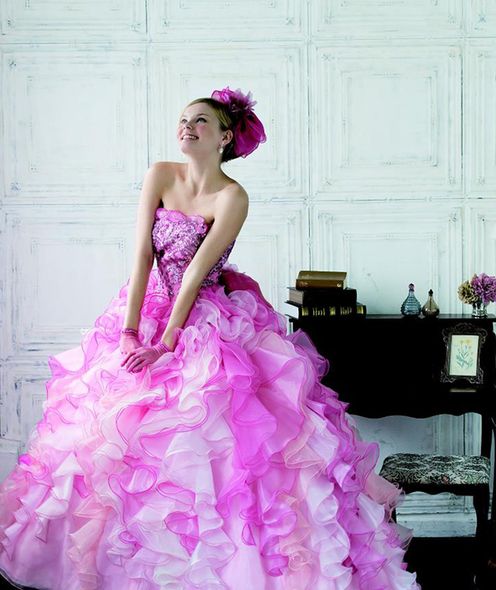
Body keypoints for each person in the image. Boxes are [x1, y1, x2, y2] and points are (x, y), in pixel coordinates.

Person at [0, 86, 420, 590]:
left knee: (218, 436)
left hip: (203, 319)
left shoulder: (232, 197)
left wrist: (166, 344)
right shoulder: (160, 175)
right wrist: (130, 333)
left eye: (200, 121)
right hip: (146, 307)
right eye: (183, 119)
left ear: (224, 138)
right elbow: (141, 257)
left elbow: (196, 275)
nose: (187, 127)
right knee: (111, 432)